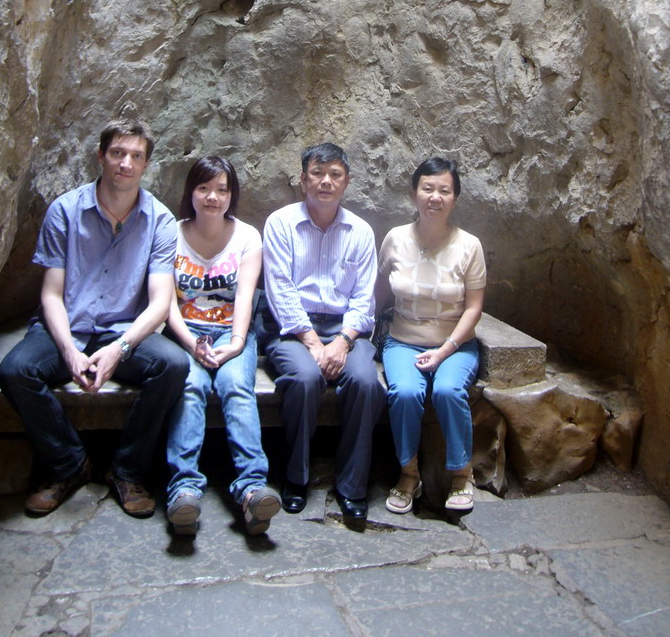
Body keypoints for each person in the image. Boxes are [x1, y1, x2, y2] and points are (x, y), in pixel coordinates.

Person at [0, 118, 190, 517]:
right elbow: (50, 293)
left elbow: (158, 304)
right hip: (68, 325)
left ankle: (126, 470)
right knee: (15, 370)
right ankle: (68, 464)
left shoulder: (160, 220)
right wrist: (68, 352)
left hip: (124, 329)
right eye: (118, 153)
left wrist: (119, 349)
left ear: (146, 164)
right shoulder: (65, 211)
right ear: (101, 156)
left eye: (136, 156)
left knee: (172, 365)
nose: (125, 163)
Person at [261, 142, 386, 520]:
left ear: (346, 182)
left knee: (365, 381)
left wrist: (343, 343)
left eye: (334, 174)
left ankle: (352, 486)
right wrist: (315, 344)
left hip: (346, 330)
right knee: (303, 377)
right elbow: (279, 290)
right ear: (303, 179)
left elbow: (366, 301)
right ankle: (295, 477)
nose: (325, 182)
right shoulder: (281, 224)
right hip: (292, 329)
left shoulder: (360, 232)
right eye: (317, 173)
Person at [164, 155, 280, 537]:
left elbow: (246, 296)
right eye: (204, 188)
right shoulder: (171, 233)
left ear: (232, 195)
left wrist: (234, 343)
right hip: (186, 331)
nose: (212, 197)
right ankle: (183, 489)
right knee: (191, 386)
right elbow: (166, 303)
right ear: (191, 192)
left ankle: (251, 488)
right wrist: (191, 343)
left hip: (233, 331)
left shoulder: (247, 237)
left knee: (235, 386)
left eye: (221, 190)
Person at [376, 157, 486, 514]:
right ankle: (409, 474)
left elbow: (473, 308)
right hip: (403, 340)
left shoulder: (470, 245)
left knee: (448, 390)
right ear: (414, 193)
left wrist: (444, 351)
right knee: (406, 392)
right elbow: (380, 293)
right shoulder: (395, 239)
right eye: (427, 188)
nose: (434, 197)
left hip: (454, 345)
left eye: (444, 190)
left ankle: (461, 475)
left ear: (455, 198)